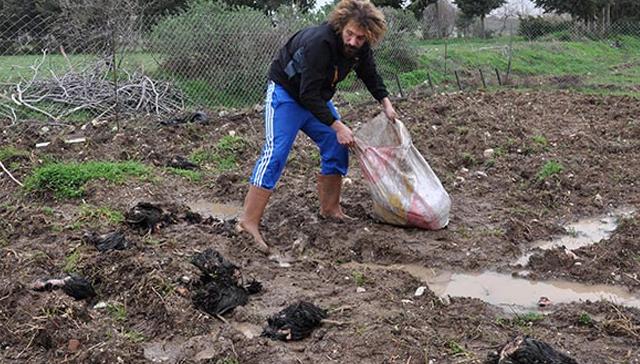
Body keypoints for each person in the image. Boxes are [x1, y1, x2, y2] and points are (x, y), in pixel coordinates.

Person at [237, 0, 397, 253]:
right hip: (287, 95)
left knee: (336, 144)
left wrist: (385, 102)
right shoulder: (319, 43)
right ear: (341, 26)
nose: (354, 41)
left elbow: (369, 73)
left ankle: (330, 208)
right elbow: (307, 93)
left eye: (360, 38)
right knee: (276, 153)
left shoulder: (360, 47)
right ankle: (248, 222)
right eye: (350, 34)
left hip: (315, 97)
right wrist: (337, 125)